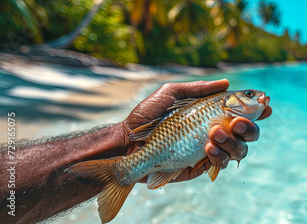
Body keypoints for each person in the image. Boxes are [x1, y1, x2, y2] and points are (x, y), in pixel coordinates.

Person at [0, 79, 272, 224]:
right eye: (249, 94)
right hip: (155, 149)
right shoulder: (221, 106)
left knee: (220, 148)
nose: (257, 98)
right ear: (230, 101)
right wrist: (125, 138)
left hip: (164, 154)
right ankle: (122, 172)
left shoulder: (228, 113)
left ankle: (123, 170)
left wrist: (123, 138)